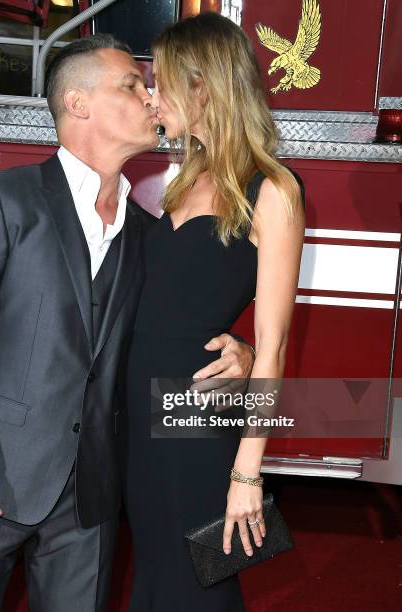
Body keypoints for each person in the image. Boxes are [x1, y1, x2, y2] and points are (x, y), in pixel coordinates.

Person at [0, 34, 255, 612]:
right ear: (78, 104)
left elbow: (172, 320)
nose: (152, 98)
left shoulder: (149, 233)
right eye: (132, 84)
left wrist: (241, 349)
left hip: (90, 500)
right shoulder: (1, 198)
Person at [124, 12, 306, 612]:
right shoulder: (185, 176)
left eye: (163, 81)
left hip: (194, 416)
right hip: (139, 417)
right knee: (153, 570)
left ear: (204, 86)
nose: (152, 95)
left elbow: (274, 345)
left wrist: (248, 472)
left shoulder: (272, 190)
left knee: (196, 581)